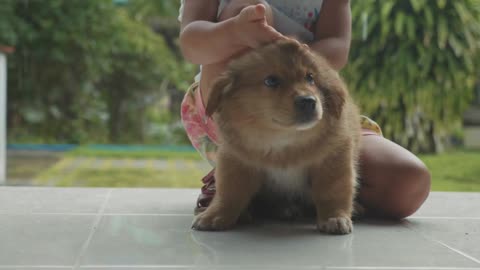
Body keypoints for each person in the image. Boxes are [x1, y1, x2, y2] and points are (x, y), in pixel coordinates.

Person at [178, 0, 431, 219]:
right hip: (236, 120)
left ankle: (294, 195)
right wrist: (235, 32)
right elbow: (191, 44)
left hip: (316, 116)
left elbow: (337, 48)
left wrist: (292, 58)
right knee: (251, 10)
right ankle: (235, 178)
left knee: (408, 183)